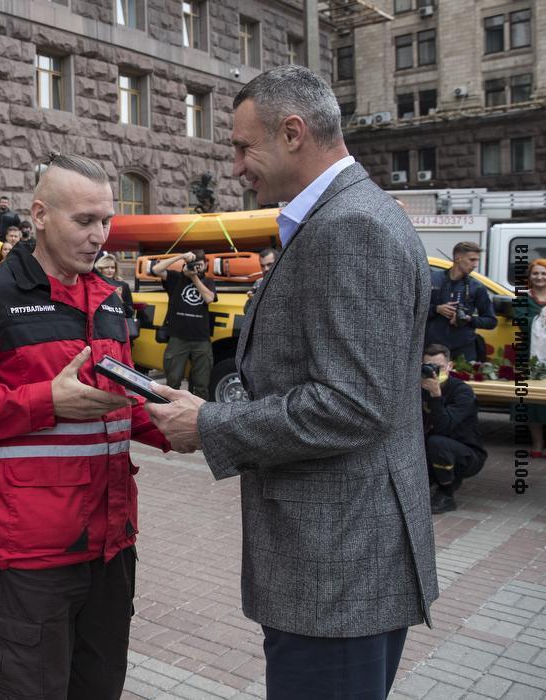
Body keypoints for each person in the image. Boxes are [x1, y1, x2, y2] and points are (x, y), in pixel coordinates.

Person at [145, 65, 438, 699]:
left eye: (242, 147)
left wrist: (212, 423)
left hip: (338, 569)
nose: (235, 166)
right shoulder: (340, 218)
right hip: (338, 561)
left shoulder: (349, 227)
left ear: (294, 132)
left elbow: (354, 404)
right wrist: (227, 399)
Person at [0, 154, 169, 699]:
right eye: (84, 221)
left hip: (112, 549)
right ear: (40, 215)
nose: (100, 235)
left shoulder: (108, 298)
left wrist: (174, 423)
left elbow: (111, 399)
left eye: (106, 220)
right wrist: (43, 401)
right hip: (35, 560)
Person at [421, 343, 486, 514]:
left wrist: (436, 395)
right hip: (431, 448)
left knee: (438, 443)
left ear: (450, 366)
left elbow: (444, 427)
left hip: (467, 454)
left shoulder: (462, 392)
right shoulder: (418, 388)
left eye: (439, 367)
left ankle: (446, 493)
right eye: (428, 367)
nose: (434, 372)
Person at [151, 250, 217, 399]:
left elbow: (209, 299)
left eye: (199, 265)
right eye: (193, 265)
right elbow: (156, 270)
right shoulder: (175, 278)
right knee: (172, 382)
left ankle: (199, 415)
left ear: (205, 265)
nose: (196, 268)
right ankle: (171, 411)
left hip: (201, 339)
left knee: (202, 384)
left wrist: (194, 277)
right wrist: (181, 256)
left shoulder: (208, 282)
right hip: (178, 338)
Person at [426, 241, 496, 362]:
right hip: (433, 349)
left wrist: (469, 319)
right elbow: (413, 309)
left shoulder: (476, 287)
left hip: (464, 349)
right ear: (458, 258)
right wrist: (437, 309)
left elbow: (491, 321)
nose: (475, 265)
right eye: (472, 260)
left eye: (476, 260)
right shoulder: (432, 280)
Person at [525, 259, 546, 457]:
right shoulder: (523, 299)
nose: (539, 277)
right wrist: (543, 317)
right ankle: (537, 443)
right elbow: (521, 324)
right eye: (535, 273)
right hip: (531, 358)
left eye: (544, 273)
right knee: (533, 402)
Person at [94, 253, 134, 319]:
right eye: (106, 267)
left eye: (112, 268)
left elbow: (130, 313)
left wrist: (120, 300)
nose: (110, 271)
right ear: (100, 269)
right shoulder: (94, 285)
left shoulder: (123, 286)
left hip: (118, 323)